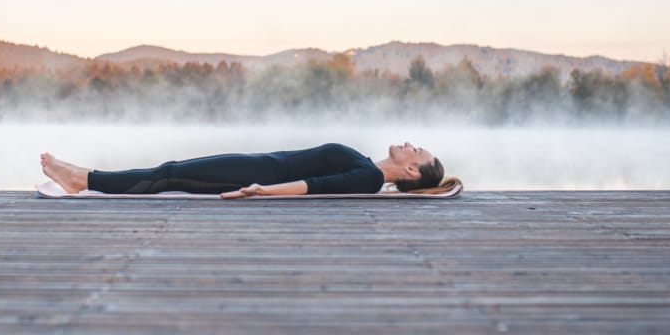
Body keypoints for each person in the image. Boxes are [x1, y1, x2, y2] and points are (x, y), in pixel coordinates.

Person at [39, 141, 461, 198]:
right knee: (170, 171)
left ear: (410, 170)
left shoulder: (369, 178)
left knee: (168, 175)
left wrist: (259, 190)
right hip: (256, 164)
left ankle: (83, 180)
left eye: (417, 150)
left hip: (255, 174)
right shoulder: (368, 168)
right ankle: (85, 177)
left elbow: (313, 186)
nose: (411, 143)